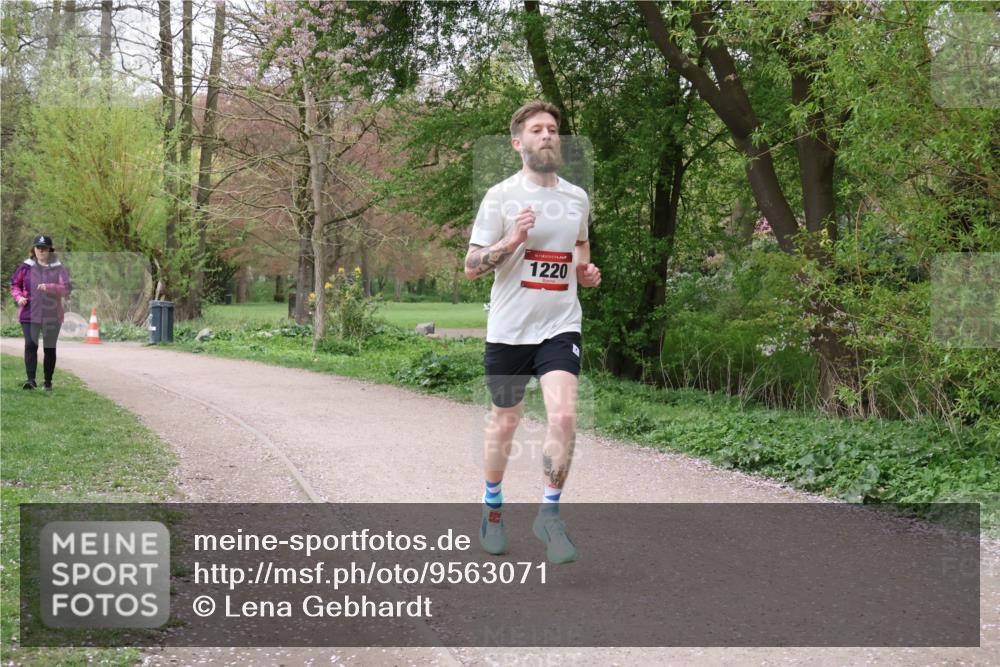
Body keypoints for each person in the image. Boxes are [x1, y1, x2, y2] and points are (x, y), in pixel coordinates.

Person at [464, 101, 601, 564]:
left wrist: (583, 270)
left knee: (563, 417)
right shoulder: (500, 197)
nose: (547, 135)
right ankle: (493, 507)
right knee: (506, 422)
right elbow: (471, 267)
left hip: (560, 324)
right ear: (517, 143)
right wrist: (512, 241)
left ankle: (550, 513)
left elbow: (580, 241)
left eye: (553, 129)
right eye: (537, 130)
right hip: (508, 328)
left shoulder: (576, 198)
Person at [10, 235, 73, 392]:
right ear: (34, 249)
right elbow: (14, 284)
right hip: (29, 313)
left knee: (49, 348)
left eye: (44, 248)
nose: (41, 251)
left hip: (52, 314)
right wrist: (19, 297)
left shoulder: (58, 267)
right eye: (38, 247)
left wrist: (50, 287)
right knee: (30, 345)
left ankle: (48, 382)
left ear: (50, 250)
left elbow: (66, 288)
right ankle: (30, 381)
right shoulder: (26, 266)